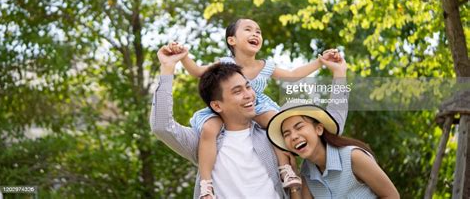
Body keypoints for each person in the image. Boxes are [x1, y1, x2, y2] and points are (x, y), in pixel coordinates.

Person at [168, 18, 341, 198]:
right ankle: (206, 183)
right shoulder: (225, 63)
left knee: (276, 124)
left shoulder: (265, 66)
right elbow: (197, 71)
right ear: (231, 40)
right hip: (230, 108)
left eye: (258, 31)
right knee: (209, 130)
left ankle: (285, 169)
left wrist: (320, 62)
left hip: (258, 105)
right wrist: (184, 56)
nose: (255, 34)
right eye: (248, 30)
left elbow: (292, 75)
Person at [267, 103, 400, 198]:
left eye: (299, 127)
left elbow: (392, 195)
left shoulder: (353, 156)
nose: (294, 136)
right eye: (286, 134)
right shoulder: (307, 172)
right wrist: (293, 178)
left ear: (319, 129)